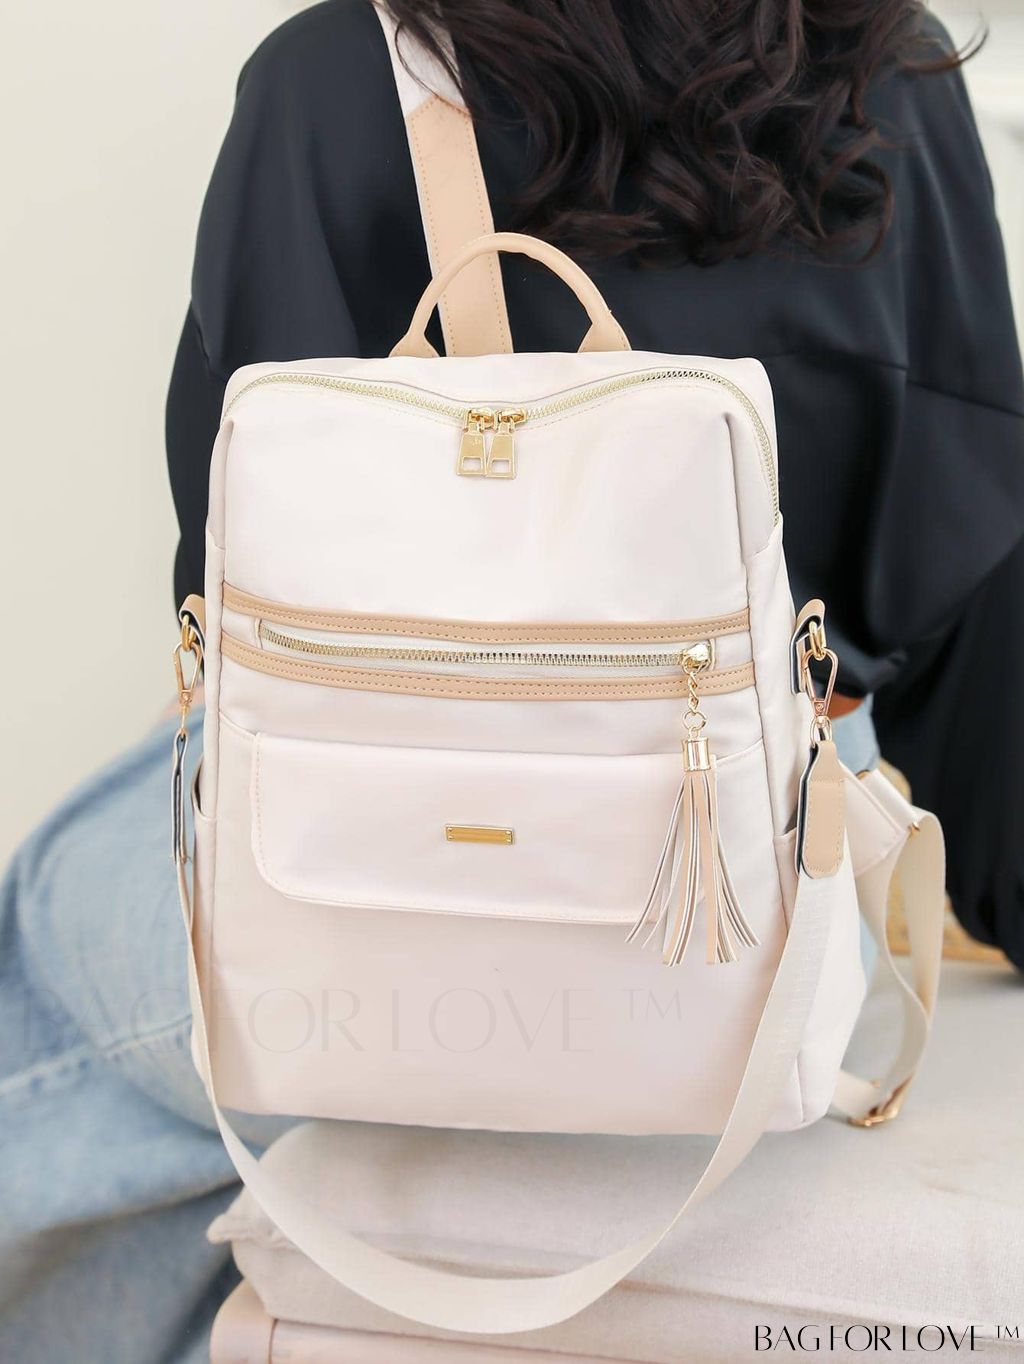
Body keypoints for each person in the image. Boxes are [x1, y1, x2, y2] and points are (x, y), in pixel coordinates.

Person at [2, 2, 1022, 1360]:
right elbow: (967, 555)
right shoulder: (888, 66)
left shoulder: (333, 77)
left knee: (47, 928)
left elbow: (242, 591)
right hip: (754, 915)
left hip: (373, 888)